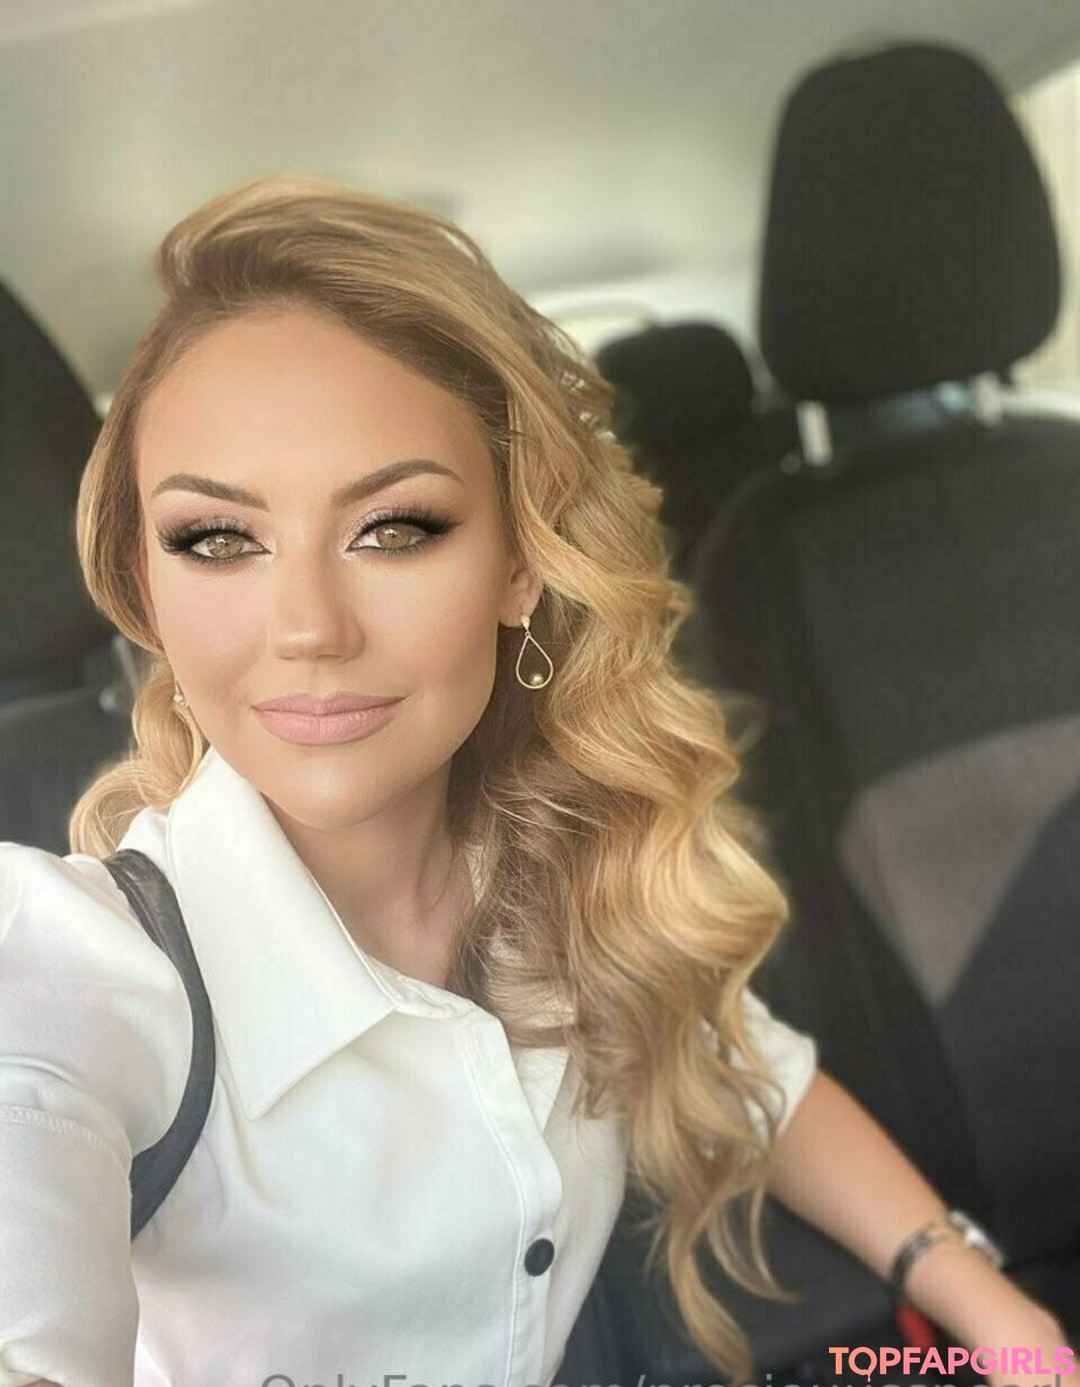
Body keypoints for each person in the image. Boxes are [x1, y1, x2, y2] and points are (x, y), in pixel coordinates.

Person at [0, 175, 1068, 1387]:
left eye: (395, 526)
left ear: (522, 562)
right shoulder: (69, 972)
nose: (307, 627)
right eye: (218, 539)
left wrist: (989, 1306)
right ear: (146, 588)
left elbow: (739, 1065)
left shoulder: (564, 865)